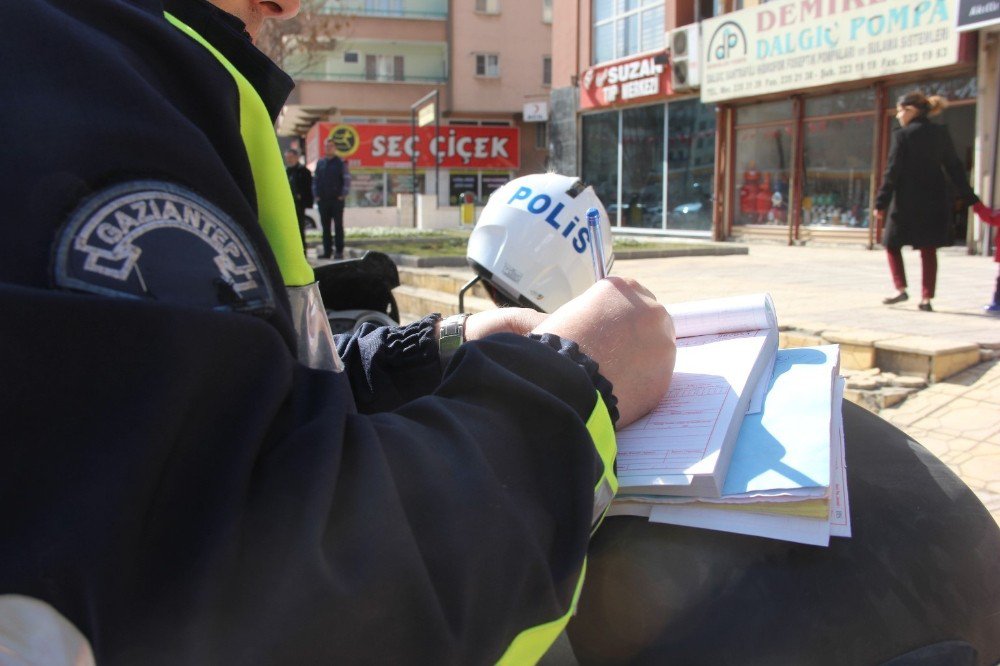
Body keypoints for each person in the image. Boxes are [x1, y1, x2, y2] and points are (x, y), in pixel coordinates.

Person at [0, 1, 676, 664]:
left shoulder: (81, 65)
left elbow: (224, 405)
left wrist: (429, 350)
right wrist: (573, 380)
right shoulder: (81, 87)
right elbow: (286, 608)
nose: (285, 6)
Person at [874, 91, 994, 312]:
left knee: (891, 243)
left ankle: (901, 289)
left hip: (906, 200)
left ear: (911, 110)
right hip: (935, 198)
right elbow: (955, 168)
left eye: (900, 110)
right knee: (928, 248)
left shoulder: (903, 136)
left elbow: (892, 172)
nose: (898, 115)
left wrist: (881, 202)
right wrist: (972, 200)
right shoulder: (940, 133)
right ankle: (926, 298)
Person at [313, 137, 351, 259]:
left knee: (338, 226)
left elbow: (347, 179)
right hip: (323, 200)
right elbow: (315, 180)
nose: (328, 148)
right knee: (325, 227)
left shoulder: (340, 162)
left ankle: (339, 251)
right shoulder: (320, 163)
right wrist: (316, 195)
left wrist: (342, 195)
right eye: (326, 146)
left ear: (334, 148)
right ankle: (327, 251)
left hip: (336, 200)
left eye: (330, 146)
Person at [284, 148, 314, 252]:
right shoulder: (286, 171)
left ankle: (302, 250)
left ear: (296, 157)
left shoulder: (304, 172)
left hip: (299, 204)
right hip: (287, 204)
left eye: (291, 157)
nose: (289, 160)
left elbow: (308, 188)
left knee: (300, 228)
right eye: (287, 158)